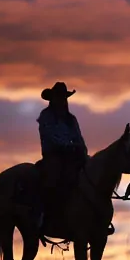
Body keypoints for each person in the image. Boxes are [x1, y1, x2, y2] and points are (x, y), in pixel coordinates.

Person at [36, 82, 87, 228]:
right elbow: (50, 135)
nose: (61, 101)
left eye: (64, 98)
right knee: (53, 177)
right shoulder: (45, 116)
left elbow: (79, 136)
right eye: (58, 97)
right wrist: (67, 145)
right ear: (52, 99)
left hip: (72, 154)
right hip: (53, 155)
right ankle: (44, 214)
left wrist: (82, 150)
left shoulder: (71, 119)